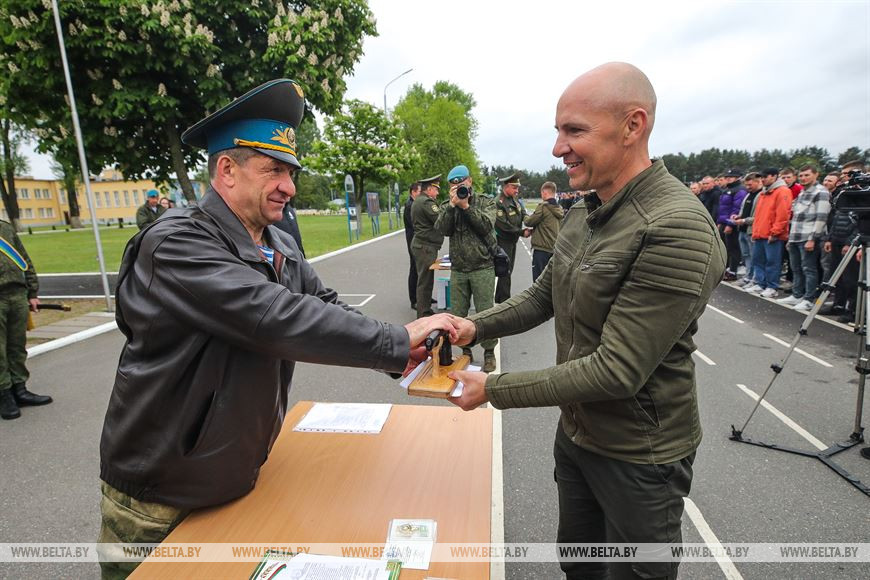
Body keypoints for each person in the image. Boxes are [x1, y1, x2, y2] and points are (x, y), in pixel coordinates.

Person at [97, 79, 455, 579]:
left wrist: (405, 350)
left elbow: (324, 304)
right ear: (226, 169)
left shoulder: (276, 240)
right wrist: (395, 342)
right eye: (273, 170)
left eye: (290, 171)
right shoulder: (176, 242)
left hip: (232, 475)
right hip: (161, 495)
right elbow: (273, 315)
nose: (288, 185)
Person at [446, 63, 725, 580]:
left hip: (638, 457)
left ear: (632, 126)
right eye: (558, 131)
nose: (557, 148)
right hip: (577, 436)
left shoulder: (676, 227)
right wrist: (471, 327)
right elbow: (541, 298)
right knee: (578, 565)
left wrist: (494, 388)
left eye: (574, 131)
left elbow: (617, 370)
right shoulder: (584, 211)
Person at [435, 164, 498, 373]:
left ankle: (489, 353)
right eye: (454, 185)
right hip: (459, 269)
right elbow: (441, 229)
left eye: (462, 183)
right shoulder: (448, 205)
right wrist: (453, 206)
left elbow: (486, 226)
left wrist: (466, 207)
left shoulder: (485, 202)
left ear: (469, 181)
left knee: (485, 312)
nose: (460, 187)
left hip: (482, 267)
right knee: (458, 314)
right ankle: (466, 352)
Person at [0, 220, 51, 420]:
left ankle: (20, 389)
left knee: (17, 346)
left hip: (17, 294)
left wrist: (32, 290)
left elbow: (23, 259)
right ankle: (4, 394)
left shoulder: (5, 228)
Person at [775, 165, 830, 311]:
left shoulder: (820, 192)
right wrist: (790, 238)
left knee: (809, 269)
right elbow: (796, 217)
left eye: (807, 175)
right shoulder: (802, 193)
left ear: (816, 175)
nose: (804, 178)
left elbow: (821, 218)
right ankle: (797, 294)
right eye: (802, 176)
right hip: (795, 237)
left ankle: (809, 298)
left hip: (808, 237)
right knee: (796, 268)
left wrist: (813, 238)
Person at [820, 160, 865, 322]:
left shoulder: (863, 194)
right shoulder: (845, 192)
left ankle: (852, 309)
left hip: (852, 242)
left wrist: (851, 242)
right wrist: (829, 238)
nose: (844, 177)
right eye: (844, 174)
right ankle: (837, 304)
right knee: (836, 275)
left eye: (848, 174)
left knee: (851, 278)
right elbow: (836, 215)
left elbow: (861, 223)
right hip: (837, 238)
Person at [744, 168, 792, 298]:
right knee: (758, 260)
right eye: (762, 177)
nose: (763, 179)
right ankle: (760, 283)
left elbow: (783, 215)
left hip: (772, 235)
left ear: (774, 176)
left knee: (772, 262)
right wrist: (755, 231)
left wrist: (775, 232)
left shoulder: (782, 192)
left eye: (765, 176)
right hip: (760, 233)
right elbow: (759, 215)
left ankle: (772, 286)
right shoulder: (764, 193)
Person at [410, 175, 444, 318]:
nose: (437, 193)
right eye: (436, 190)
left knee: (425, 279)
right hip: (425, 246)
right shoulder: (426, 203)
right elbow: (441, 220)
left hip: (422, 245)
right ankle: (423, 313)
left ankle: (424, 309)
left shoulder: (419, 201)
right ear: (429, 189)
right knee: (425, 281)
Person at [494, 173, 527, 303]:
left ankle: (500, 297)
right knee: (505, 270)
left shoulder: (515, 200)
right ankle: (504, 300)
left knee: (508, 270)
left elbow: (523, 213)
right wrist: (521, 232)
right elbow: (503, 225)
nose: (517, 190)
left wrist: (529, 222)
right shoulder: (499, 202)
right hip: (503, 240)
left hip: (512, 240)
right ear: (506, 186)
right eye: (514, 187)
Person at [524, 181, 563, 281]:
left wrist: (524, 215)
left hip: (541, 249)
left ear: (544, 192)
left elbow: (529, 222)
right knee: (550, 281)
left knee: (538, 281)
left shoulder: (543, 207)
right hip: (554, 249)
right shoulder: (559, 208)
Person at [732, 172, 764, 286]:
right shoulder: (748, 195)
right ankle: (747, 277)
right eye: (746, 185)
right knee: (746, 255)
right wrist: (738, 216)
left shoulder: (761, 195)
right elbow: (743, 209)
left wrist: (744, 220)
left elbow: (759, 216)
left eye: (750, 184)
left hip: (752, 230)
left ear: (758, 181)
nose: (747, 187)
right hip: (743, 229)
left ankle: (754, 279)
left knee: (754, 256)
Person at [717, 169, 748, 280]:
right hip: (724, 222)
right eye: (727, 177)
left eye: (731, 177)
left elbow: (736, 208)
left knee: (733, 248)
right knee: (725, 247)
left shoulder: (740, 190)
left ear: (738, 177)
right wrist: (720, 222)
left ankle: (732, 271)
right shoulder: (728, 189)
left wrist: (730, 224)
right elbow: (723, 208)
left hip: (732, 224)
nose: (728, 178)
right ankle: (725, 268)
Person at [403, 182, 421, 310]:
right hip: (413, 242)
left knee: (421, 271)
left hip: (416, 241)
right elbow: (416, 224)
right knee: (415, 269)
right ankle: (414, 299)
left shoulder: (414, 204)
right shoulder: (410, 205)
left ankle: (422, 296)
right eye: (420, 192)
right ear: (413, 192)